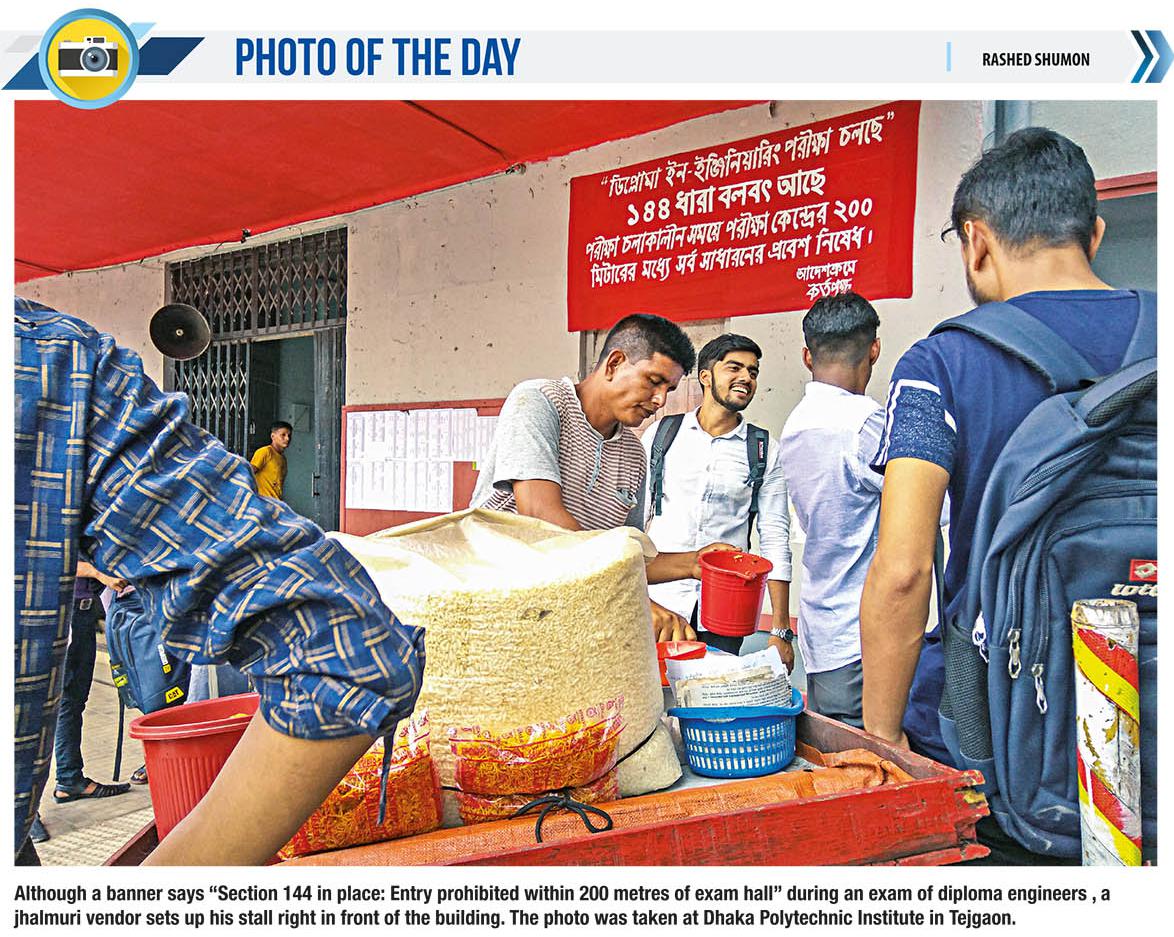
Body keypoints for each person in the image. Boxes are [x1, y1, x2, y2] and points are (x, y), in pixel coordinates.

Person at [14, 299, 424, 865]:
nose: (284, 441)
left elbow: (340, 651)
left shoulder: (52, 369)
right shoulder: (48, 364)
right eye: (281, 435)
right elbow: (347, 650)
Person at [859, 127, 1148, 862]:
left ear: (976, 241)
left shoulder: (941, 363)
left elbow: (903, 570)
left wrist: (882, 741)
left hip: (1003, 748)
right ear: (1095, 233)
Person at [472, 313, 732, 640]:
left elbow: (622, 557)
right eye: (653, 381)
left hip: (562, 624)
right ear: (614, 363)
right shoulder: (540, 401)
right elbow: (540, 518)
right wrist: (632, 600)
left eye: (669, 389)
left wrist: (694, 563)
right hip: (493, 614)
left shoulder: (634, 456)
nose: (660, 400)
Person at [643, 334, 793, 660]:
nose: (746, 378)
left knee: (714, 690)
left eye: (753, 372)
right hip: (658, 600)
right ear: (706, 376)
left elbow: (775, 539)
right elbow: (633, 520)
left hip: (727, 608)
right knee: (651, 688)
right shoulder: (662, 435)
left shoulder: (764, 450)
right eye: (734, 368)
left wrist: (780, 630)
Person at [778, 294, 882, 726]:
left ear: (808, 356)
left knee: (834, 748)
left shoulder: (796, 423)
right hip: (863, 636)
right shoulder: (866, 424)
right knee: (871, 754)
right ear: (874, 349)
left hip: (821, 627)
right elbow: (937, 507)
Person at [50, 561, 134, 804]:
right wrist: (99, 574)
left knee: (73, 702)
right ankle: (30, 804)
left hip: (82, 613)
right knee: (61, 702)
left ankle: (69, 778)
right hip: (65, 613)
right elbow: (57, 558)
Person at [250, 420, 292, 499]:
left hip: (275, 502)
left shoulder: (283, 459)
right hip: (263, 501)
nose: (287, 438)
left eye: (289, 435)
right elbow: (249, 473)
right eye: (283, 435)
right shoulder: (265, 452)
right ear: (273, 436)